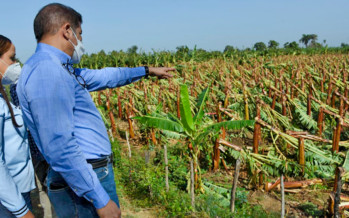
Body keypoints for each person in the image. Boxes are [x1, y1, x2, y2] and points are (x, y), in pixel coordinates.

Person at [17, 3, 174, 218]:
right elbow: (59, 145)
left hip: (88, 175)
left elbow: (105, 76)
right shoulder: (47, 71)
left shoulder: (61, 69)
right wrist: (99, 199)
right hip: (84, 181)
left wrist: (146, 71)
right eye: (79, 34)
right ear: (66, 30)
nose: (80, 42)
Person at [0, 35, 36, 218]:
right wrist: (22, 211)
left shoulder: (2, 96)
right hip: (10, 199)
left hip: (17, 191)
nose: (15, 63)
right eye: (11, 58)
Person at [10, 84, 56, 218]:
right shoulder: (17, 87)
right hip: (39, 150)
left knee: (50, 186)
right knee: (45, 186)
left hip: (45, 150)